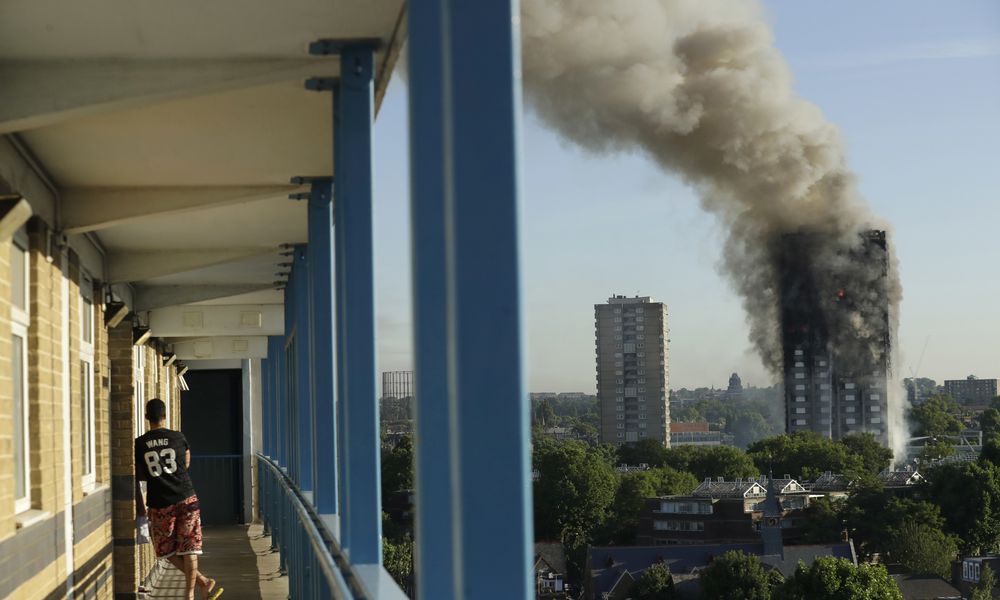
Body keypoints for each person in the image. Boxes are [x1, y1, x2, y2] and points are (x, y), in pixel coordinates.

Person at [135, 398, 223, 600]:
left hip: (159, 503)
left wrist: (157, 477)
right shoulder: (178, 437)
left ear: (147, 417)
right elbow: (186, 463)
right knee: (189, 547)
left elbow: (139, 474)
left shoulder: (140, 444)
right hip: (186, 497)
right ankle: (192, 591)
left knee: (165, 550)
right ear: (165, 416)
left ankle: (200, 585)